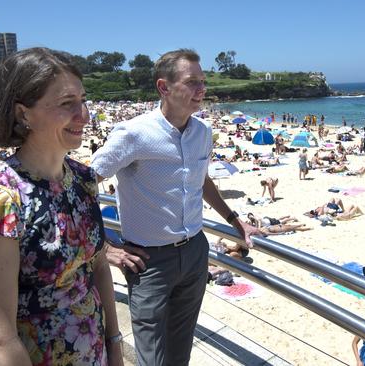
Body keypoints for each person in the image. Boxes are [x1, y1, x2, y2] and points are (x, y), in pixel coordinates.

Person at [0, 48, 123, 365]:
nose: (84, 114)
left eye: (83, 100)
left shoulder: (83, 179)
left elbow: (97, 267)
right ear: (23, 113)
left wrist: (115, 347)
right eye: (67, 104)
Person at [91, 49, 261, 365]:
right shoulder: (134, 133)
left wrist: (235, 219)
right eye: (192, 82)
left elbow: (202, 180)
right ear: (164, 87)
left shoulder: (203, 132)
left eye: (203, 82)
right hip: (148, 261)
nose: (202, 90)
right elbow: (83, 185)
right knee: (152, 357)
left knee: (180, 351)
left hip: (196, 251)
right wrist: (103, 247)